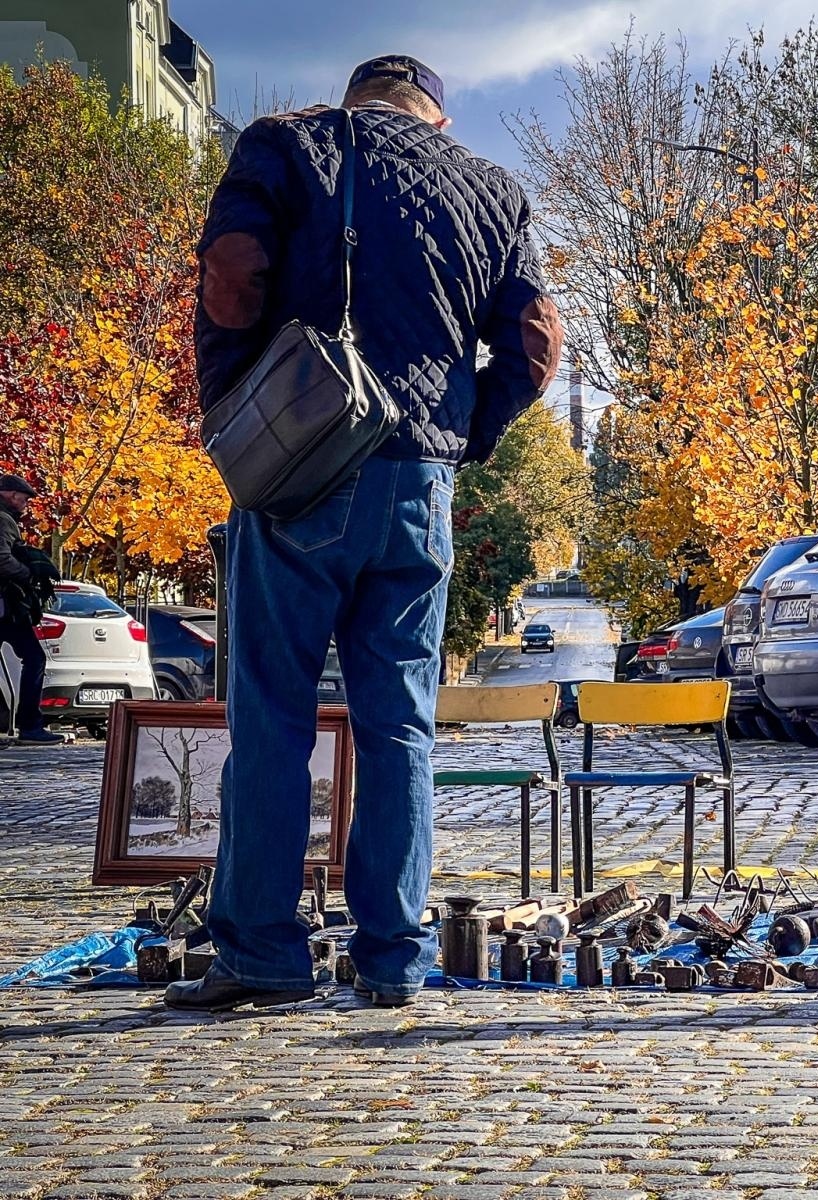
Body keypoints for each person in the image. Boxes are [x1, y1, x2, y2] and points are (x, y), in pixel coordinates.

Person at [167, 56, 563, 1012]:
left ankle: (262, 952)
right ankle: (392, 958)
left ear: (359, 99)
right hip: (420, 483)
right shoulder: (494, 190)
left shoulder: (286, 145)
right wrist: (467, 432)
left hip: (304, 465)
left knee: (271, 712)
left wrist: (229, 400)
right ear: (435, 114)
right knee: (400, 723)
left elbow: (230, 277)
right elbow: (538, 342)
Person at [0, 474, 64, 745]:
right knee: (35, 658)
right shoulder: (3, 520)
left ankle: (27, 725)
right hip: (5, 608)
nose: (25, 505)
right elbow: (2, 559)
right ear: (11, 494)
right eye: (24, 499)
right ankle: (30, 726)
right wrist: (28, 574)